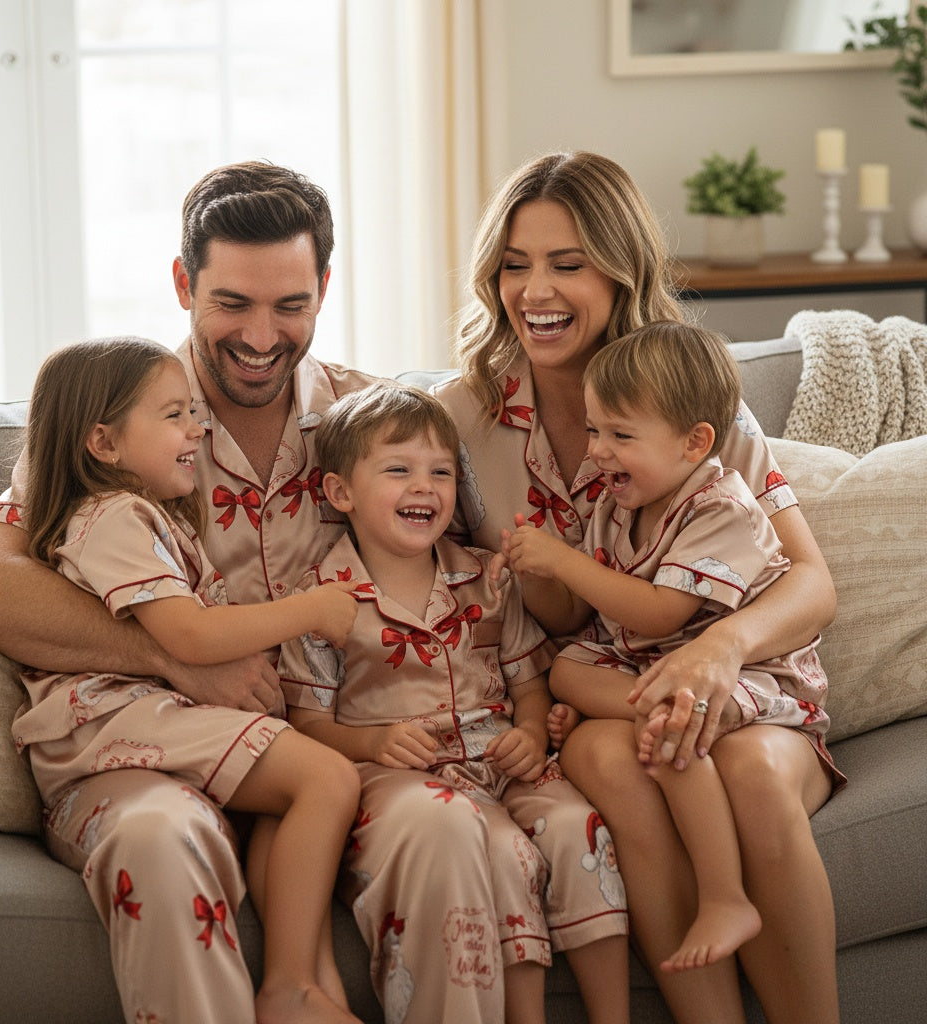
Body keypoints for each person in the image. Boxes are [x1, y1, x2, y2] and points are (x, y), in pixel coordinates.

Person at [0, 161, 386, 1024]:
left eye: (290, 305)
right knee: (157, 839)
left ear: (324, 289)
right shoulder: (116, 418)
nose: (262, 335)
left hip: (316, 746)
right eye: (233, 302)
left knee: (440, 833)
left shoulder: (376, 422)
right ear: (184, 282)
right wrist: (172, 658)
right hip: (140, 760)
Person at [433, 151, 843, 1024]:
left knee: (750, 775)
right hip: (592, 692)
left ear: (621, 273)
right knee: (626, 765)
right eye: (515, 264)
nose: (534, 289)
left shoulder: (693, 400)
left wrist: (720, 649)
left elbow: (810, 582)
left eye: (567, 263)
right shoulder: (464, 420)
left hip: (733, 682)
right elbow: (530, 611)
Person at [16, 334, 362, 1024]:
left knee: (289, 793)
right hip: (113, 724)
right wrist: (309, 610)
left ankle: (313, 984)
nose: (197, 430)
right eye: (175, 416)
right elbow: (188, 637)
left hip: (140, 723)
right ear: (104, 444)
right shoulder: (118, 517)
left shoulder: (151, 518)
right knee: (327, 778)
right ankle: (290, 984)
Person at [495, 322, 844, 976]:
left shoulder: (718, 503)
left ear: (696, 442)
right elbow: (586, 619)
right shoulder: (618, 502)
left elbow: (660, 612)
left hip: (756, 676)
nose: (597, 452)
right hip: (652, 664)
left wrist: (567, 563)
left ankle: (724, 896)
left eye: (619, 436)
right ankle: (646, 709)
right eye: (594, 431)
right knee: (566, 668)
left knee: (676, 728)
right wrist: (535, 572)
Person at [278, 381, 630, 1024]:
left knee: (581, 830)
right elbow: (307, 724)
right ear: (340, 492)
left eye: (441, 471)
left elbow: (528, 682)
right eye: (399, 469)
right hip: (406, 779)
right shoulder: (321, 599)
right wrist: (371, 743)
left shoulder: (485, 576)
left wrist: (530, 728)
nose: (426, 486)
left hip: (504, 760)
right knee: (504, 852)